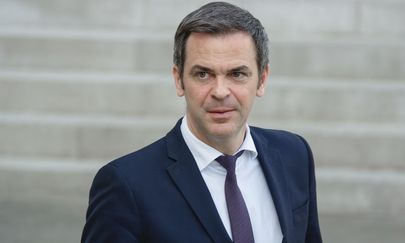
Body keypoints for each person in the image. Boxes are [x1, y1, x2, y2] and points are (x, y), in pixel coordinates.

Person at [81, 2, 322, 243]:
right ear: (179, 80)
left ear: (262, 80)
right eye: (203, 74)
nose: (220, 91)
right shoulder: (126, 185)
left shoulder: (294, 154)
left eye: (237, 74)